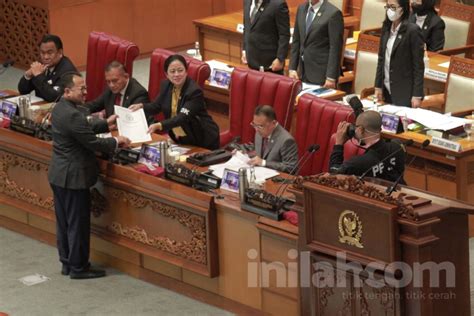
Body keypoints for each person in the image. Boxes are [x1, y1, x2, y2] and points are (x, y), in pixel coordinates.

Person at [48, 72, 130, 279]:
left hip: (59, 174)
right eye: (81, 89)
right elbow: (92, 142)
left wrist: (106, 123)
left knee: (64, 222)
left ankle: (67, 262)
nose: (85, 92)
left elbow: (82, 126)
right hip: (74, 177)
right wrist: (116, 141)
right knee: (77, 223)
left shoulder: (60, 107)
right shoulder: (72, 114)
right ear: (67, 91)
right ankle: (78, 267)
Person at [129, 54, 220, 150]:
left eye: (180, 70)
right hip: (183, 137)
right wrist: (142, 106)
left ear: (186, 72)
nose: (176, 74)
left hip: (203, 138)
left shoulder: (194, 92)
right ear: (167, 74)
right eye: (172, 71)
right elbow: (156, 106)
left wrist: (160, 125)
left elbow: (182, 118)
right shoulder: (166, 85)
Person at [328, 111, 405, 183]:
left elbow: (334, 175)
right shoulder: (398, 147)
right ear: (380, 129)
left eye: (356, 127)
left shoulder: (358, 163)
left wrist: (338, 144)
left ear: (360, 129)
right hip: (399, 193)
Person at [374, 0, 425, 108]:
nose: (389, 10)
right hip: (387, 89)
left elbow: (418, 66)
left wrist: (417, 95)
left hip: (405, 92)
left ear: (402, 9)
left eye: (392, 7)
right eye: (387, 7)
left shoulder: (412, 31)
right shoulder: (386, 28)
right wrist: (378, 86)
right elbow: (381, 59)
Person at [289, 0, 344, 87]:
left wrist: (331, 77)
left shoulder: (333, 13)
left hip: (322, 75)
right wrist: (292, 68)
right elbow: (296, 40)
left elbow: (335, 48)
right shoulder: (301, 8)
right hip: (302, 72)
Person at [18, 34, 77, 102]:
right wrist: (27, 75)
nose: (45, 57)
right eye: (42, 53)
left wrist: (38, 76)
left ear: (60, 52)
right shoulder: (42, 64)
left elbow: (54, 98)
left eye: (50, 53)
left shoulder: (67, 71)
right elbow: (23, 91)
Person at [86, 61, 150, 120]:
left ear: (126, 76)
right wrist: (77, 111)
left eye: (115, 81)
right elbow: (94, 105)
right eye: (108, 81)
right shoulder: (111, 89)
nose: (111, 85)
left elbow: (131, 120)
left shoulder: (138, 93)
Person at [242, 0, 291, 74]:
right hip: (251, 62)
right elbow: (247, 27)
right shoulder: (247, 1)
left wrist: (280, 58)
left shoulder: (278, 4)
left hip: (270, 65)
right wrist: (245, 49)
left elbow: (284, 35)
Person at [248, 105, 298, 173]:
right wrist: (242, 152)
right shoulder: (260, 130)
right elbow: (256, 148)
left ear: (273, 123)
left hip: (275, 181)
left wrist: (264, 163)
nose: (256, 129)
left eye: (260, 126)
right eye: (254, 125)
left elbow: (291, 168)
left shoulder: (286, 140)